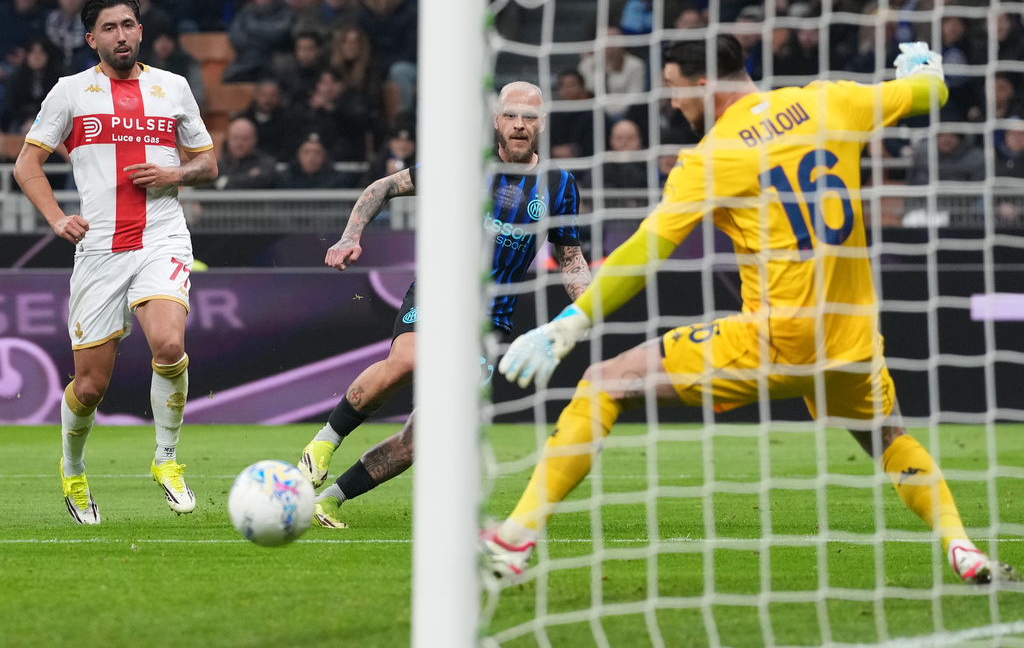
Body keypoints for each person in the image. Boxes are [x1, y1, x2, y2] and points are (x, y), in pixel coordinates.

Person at [480, 37, 1021, 586]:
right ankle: (963, 547)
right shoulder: (828, 101)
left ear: (702, 85)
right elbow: (930, 93)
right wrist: (924, 67)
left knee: (604, 381)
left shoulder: (712, 158)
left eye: (673, 90)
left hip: (777, 339)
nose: (672, 105)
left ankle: (515, 537)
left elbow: (645, 250)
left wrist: (568, 325)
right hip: (851, 342)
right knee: (889, 438)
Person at [298, 81, 593, 528]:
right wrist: (350, 235)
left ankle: (333, 499)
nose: (519, 124)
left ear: (542, 123)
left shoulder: (559, 185)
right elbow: (383, 187)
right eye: (511, 115)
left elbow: (570, 257)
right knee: (408, 360)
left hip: (490, 321)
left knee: (423, 437)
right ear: (496, 120)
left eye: (529, 117)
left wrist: (586, 309)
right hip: (439, 292)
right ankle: (324, 440)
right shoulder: (463, 166)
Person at [13, 0, 218, 524]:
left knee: (169, 344)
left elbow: (208, 164)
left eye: (128, 24)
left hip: (163, 236)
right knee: (90, 386)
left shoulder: (173, 88)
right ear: (91, 39)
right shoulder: (69, 92)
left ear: (140, 31)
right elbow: (25, 166)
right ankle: (73, 471)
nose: (121, 35)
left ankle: (166, 460)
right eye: (109, 28)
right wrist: (58, 218)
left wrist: (175, 173)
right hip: (100, 247)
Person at [213, 117, 278, 190]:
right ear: (228, 139)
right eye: (235, 138)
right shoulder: (218, 167)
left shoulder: (266, 164)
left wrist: (226, 182)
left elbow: (262, 180)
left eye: (245, 139)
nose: (239, 143)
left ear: (254, 140)